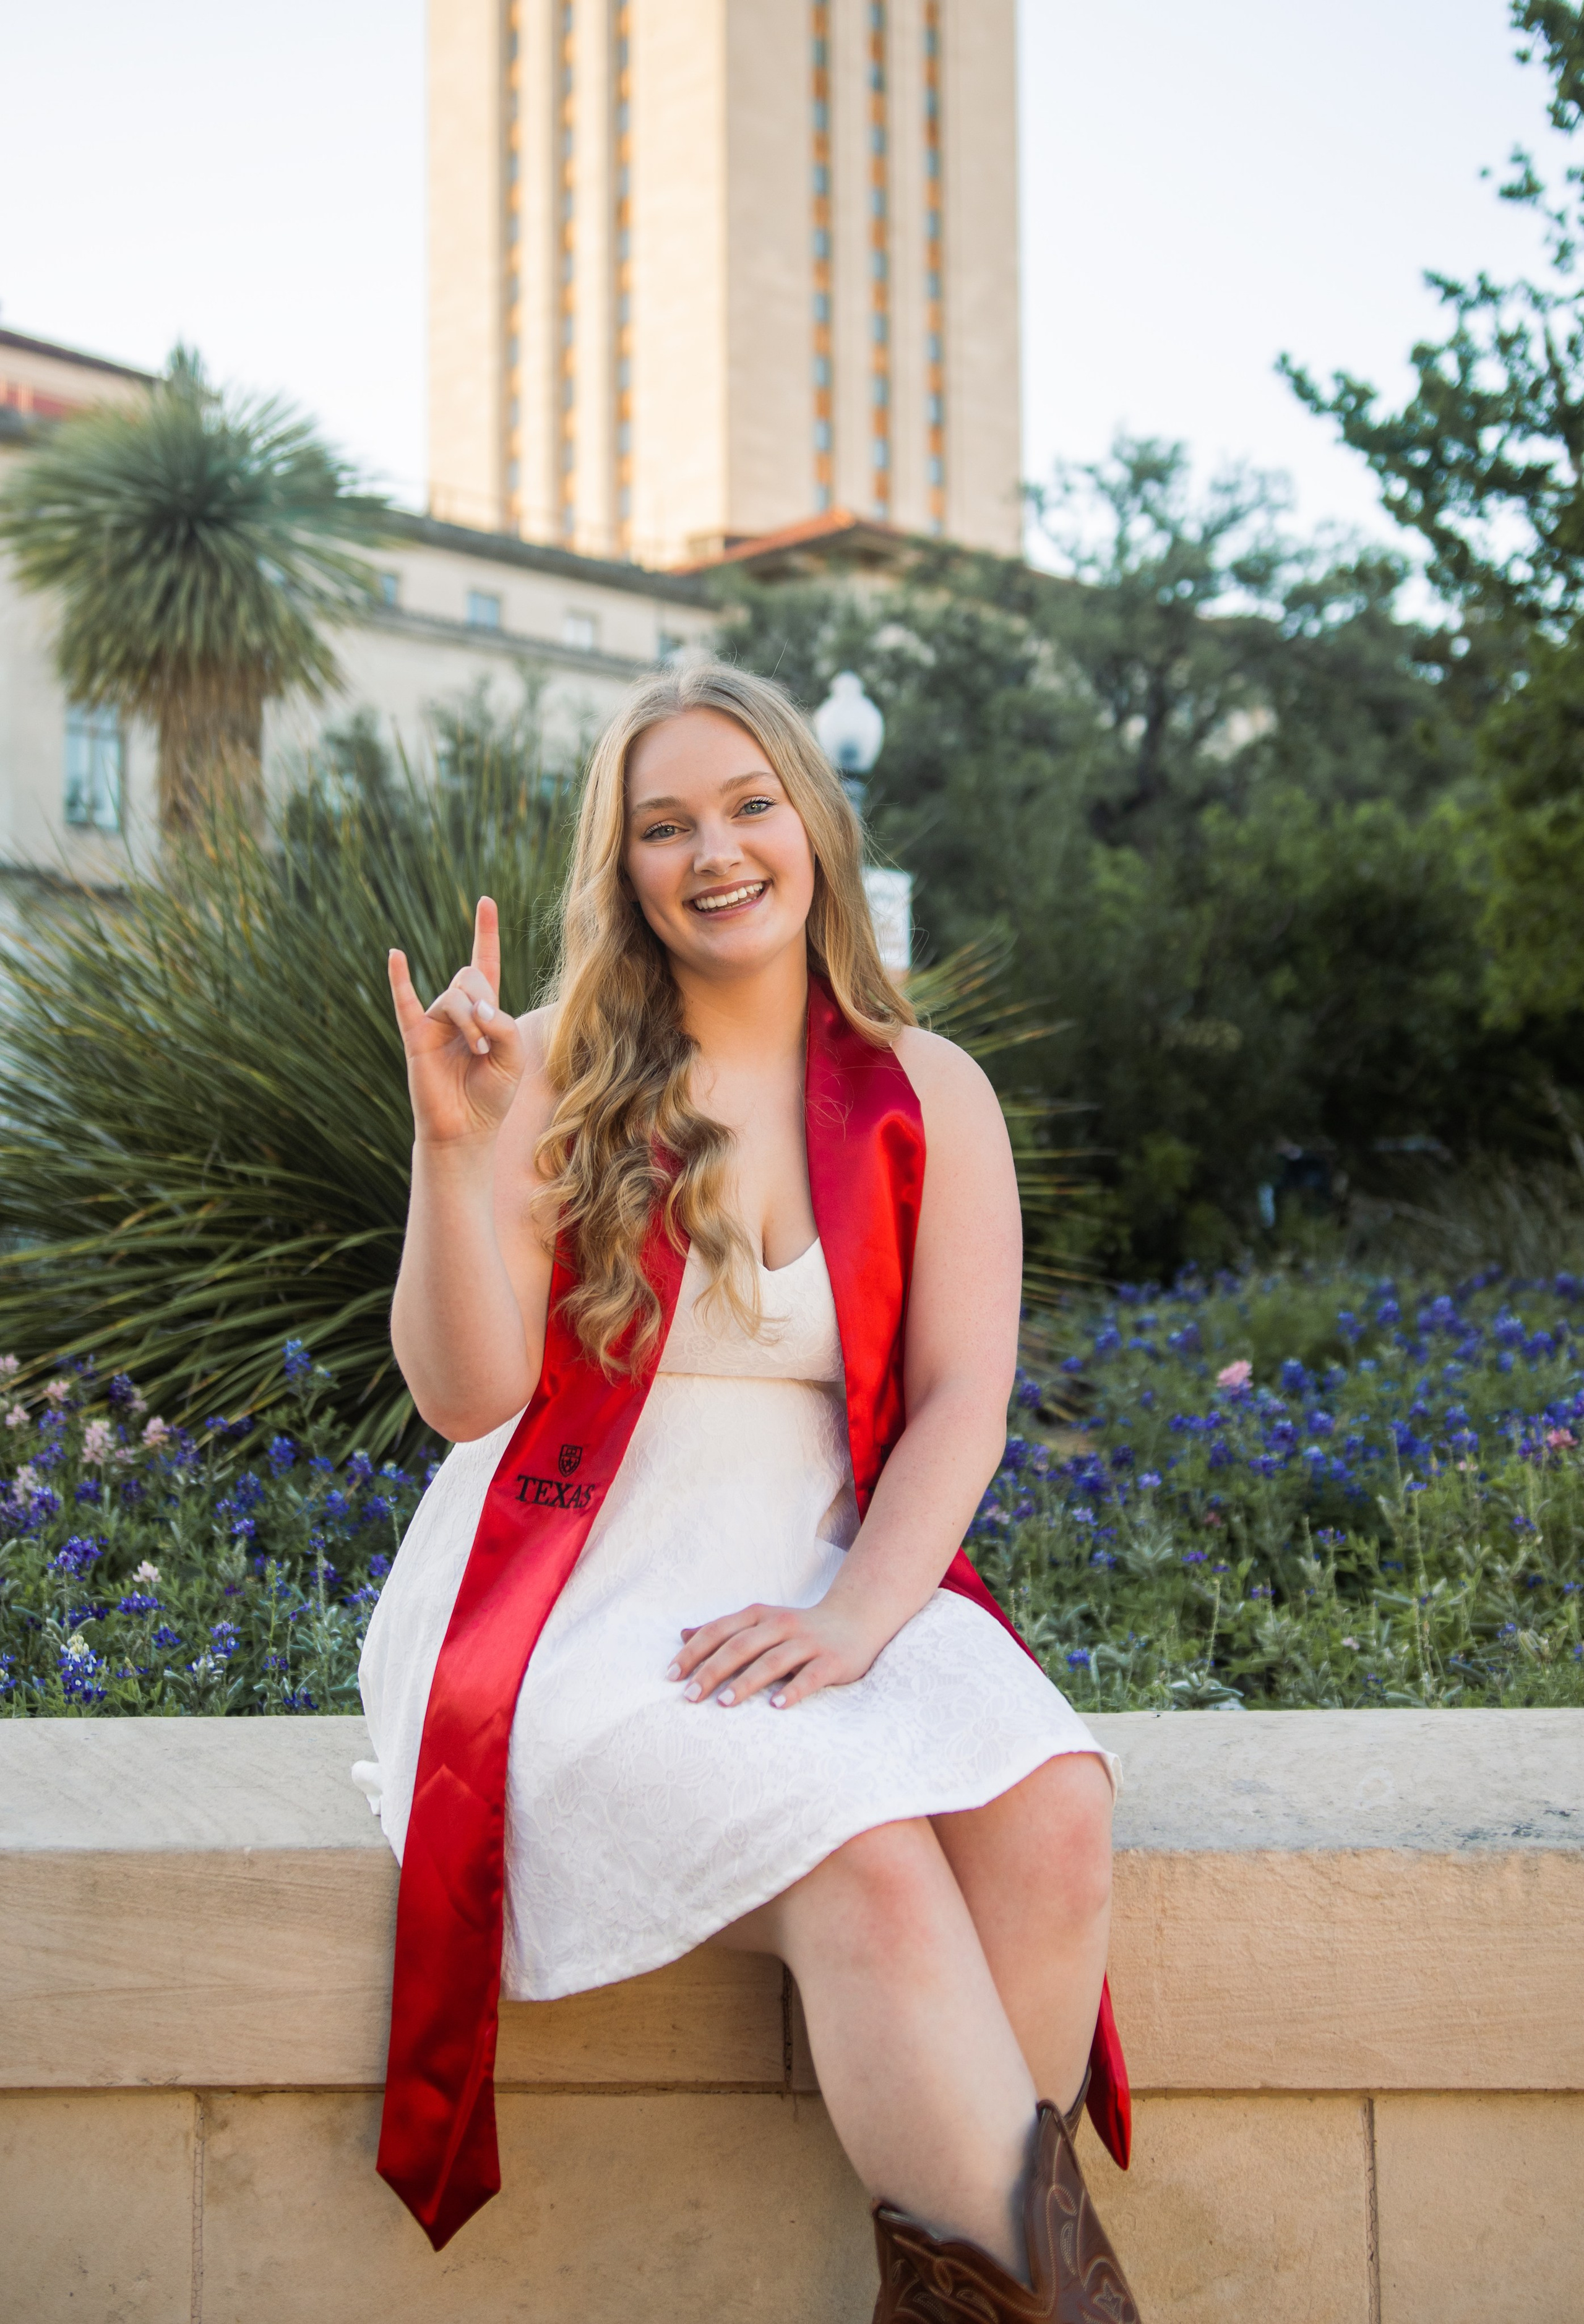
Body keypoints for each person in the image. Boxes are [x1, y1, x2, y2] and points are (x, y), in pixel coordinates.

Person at [356, 661, 1142, 2321]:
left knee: (1060, 1804)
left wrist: (857, 1619)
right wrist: (448, 1149)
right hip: (578, 1590)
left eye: (747, 807)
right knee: (863, 1857)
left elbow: (959, 1408)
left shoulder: (929, 1093)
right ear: (623, 865)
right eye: (664, 825)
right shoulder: (555, 1061)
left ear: (816, 824)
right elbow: (467, 1396)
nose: (713, 851)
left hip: (831, 1570)